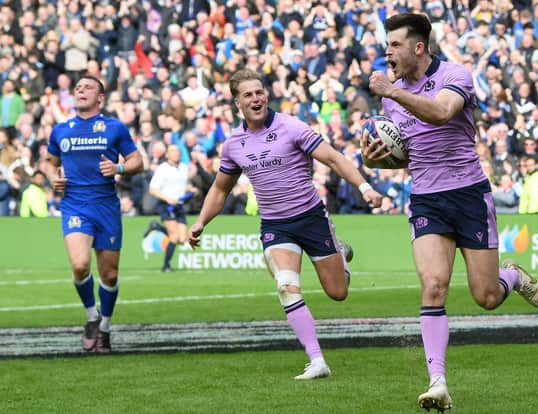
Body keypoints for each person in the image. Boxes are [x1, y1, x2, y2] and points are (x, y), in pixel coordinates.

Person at [360, 13, 538, 413]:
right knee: (434, 286)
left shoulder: (455, 75)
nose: (387, 51)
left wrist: (390, 92)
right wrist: (376, 161)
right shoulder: (393, 94)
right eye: (386, 44)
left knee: (487, 296)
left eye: (394, 44)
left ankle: (510, 276)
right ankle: (437, 382)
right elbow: (406, 154)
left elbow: (442, 113)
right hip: (427, 198)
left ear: (419, 48)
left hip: (468, 195)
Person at [189, 69, 383, 380]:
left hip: (311, 218)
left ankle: (340, 253)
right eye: (249, 94)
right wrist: (201, 221)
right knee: (286, 286)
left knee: (338, 292)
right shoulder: (234, 144)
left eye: (260, 91)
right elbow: (220, 188)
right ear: (236, 101)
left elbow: (332, 158)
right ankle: (317, 360)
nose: (257, 98)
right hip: (276, 226)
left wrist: (365, 188)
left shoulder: (290, 126)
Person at [47, 75, 143, 354]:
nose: (80, 90)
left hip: (106, 207)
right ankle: (92, 316)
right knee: (79, 265)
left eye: (87, 87)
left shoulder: (114, 128)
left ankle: (105, 327)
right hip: (75, 205)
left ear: (100, 98)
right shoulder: (61, 130)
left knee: (109, 275)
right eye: (78, 87)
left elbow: (137, 160)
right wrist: (54, 178)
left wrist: (119, 169)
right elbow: (49, 162)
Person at [148, 144, 194, 272]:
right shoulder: (162, 169)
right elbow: (153, 189)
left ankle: (156, 227)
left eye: (178, 151)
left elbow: (181, 187)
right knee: (174, 236)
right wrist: (168, 198)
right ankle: (166, 266)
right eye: (173, 151)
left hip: (178, 206)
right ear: (167, 155)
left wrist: (189, 189)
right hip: (166, 205)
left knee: (182, 238)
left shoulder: (184, 168)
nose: (176, 153)